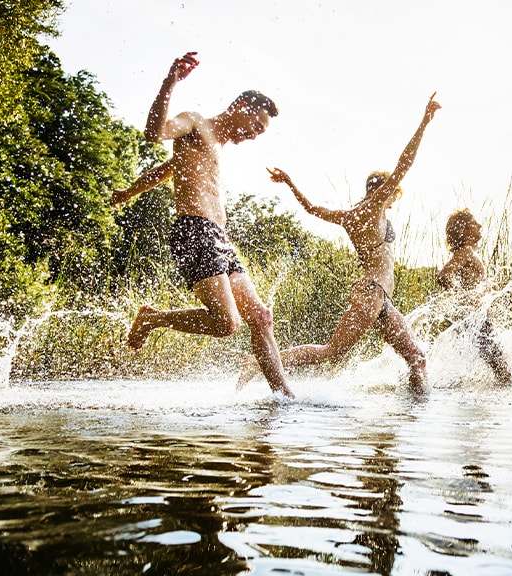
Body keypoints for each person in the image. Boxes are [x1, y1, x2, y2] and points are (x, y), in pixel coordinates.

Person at [237, 93, 442, 394]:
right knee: (332, 351)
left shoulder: (349, 215)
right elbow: (405, 162)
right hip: (372, 294)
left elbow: (310, 208)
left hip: (379, 298)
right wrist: (424, 121)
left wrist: (291, 183)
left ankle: (414, 414)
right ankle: (258, 361)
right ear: (386, 192)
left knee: (417, 358)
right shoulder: (374, 207)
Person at [119, 51, 294, 398]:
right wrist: (170, 81)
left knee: (260, 316)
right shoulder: (195, 122)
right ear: (242, 106)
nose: (256, 135)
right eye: (256, 126)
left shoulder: (216, 146)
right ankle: (153, 318)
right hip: (193, 231)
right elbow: (155, 132)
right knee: (228, 323)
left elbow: (168, 169)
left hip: (219, 238)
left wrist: (130, 190)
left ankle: (284, 397)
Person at [436, 209, 512, 385]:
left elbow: (482, 288)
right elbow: (443, 276)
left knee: (496, 364)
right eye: (474, 223)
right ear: (464, 229)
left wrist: (509, 285)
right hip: (473, 315)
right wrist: (465, 298)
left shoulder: (469, 252)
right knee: (501, 368)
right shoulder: (465, 252)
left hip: (476, 315)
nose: (480, 225)